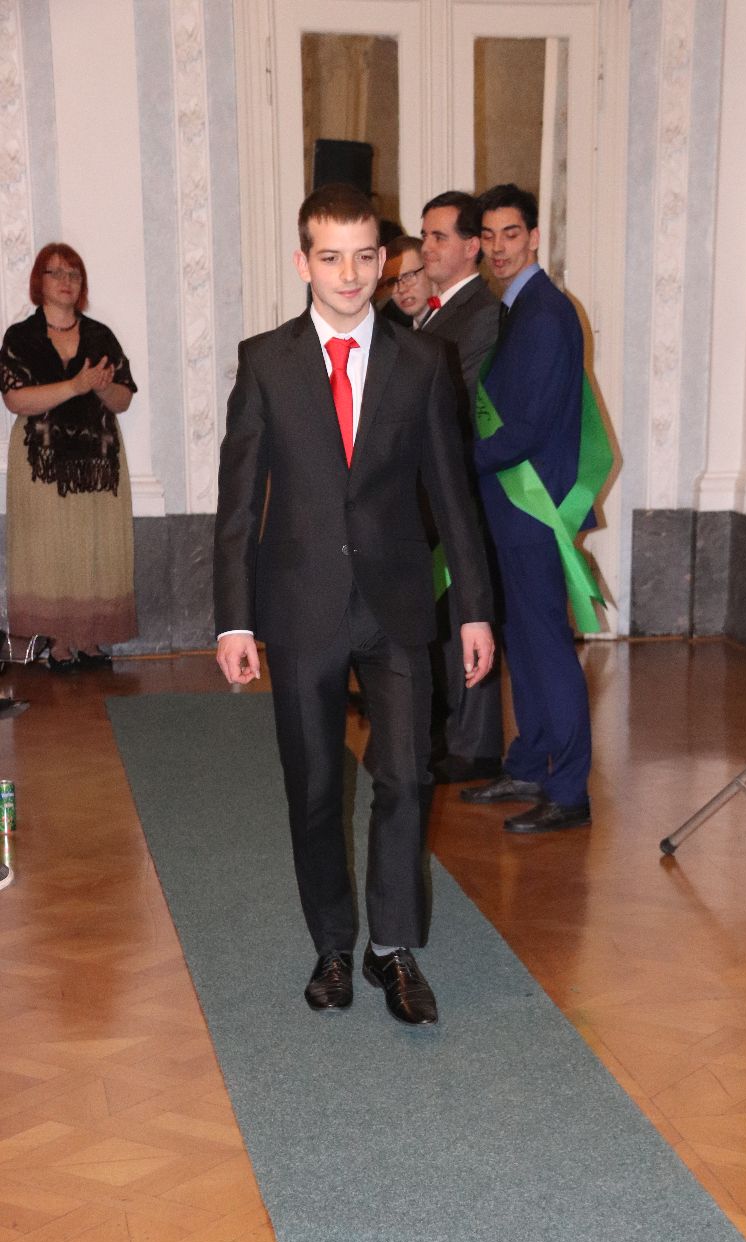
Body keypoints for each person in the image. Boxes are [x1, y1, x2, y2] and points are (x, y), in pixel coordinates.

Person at [214, 182, 495, 1026]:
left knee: (406, 775)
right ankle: (333, 943)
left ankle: (390, 948)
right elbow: (238, 502)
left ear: (384, 261)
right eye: (330, 257)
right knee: (313, 786)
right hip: (300, 605)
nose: (348, 274)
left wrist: (474, 607)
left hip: (397, 604)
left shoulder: (424, 362)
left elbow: (453, 495)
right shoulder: (265, 362)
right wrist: (234, 617)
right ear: (303, 262)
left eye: (364, 257)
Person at [462, 184, 593, 833]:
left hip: (532, 506)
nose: (498, 248)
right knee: (524, 641)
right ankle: (529, 765)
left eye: (510, 234)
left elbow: (527, 427)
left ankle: (568, 791)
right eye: (488, 236)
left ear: (534, 237)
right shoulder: (519, 307)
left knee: (546, 646)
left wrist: (455, 459)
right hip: (512, 505)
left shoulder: (542, 312)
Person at [0, 243, 137, 671]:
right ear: (38, 282)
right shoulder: (21, 337)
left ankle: (89, 640)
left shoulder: (100, 336)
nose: (66, 281)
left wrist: (101, 386)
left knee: (95, 547)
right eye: (56, 272)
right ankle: (59, 643)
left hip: (98, 461)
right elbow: (15, 399)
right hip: (40, 462)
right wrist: (75, 386)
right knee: (50, 550)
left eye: (74, 274)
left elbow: (123, 400)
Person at [418, 191, 504, 783]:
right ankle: (454, 733)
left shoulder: (481, 314)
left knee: (466, 612)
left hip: (459, 482)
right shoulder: (437, 310)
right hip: (430, 480)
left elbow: (457, 400)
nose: (426, 247)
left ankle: (476, 745)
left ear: (472, 247)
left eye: (439, 237)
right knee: (445, 617)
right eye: (425, 235)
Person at [378, 234, 433, 328]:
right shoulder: (402, 335)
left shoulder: (458, 325)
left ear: (431, 271)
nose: (401, 289)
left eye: (408, 276)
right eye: (392, 282)